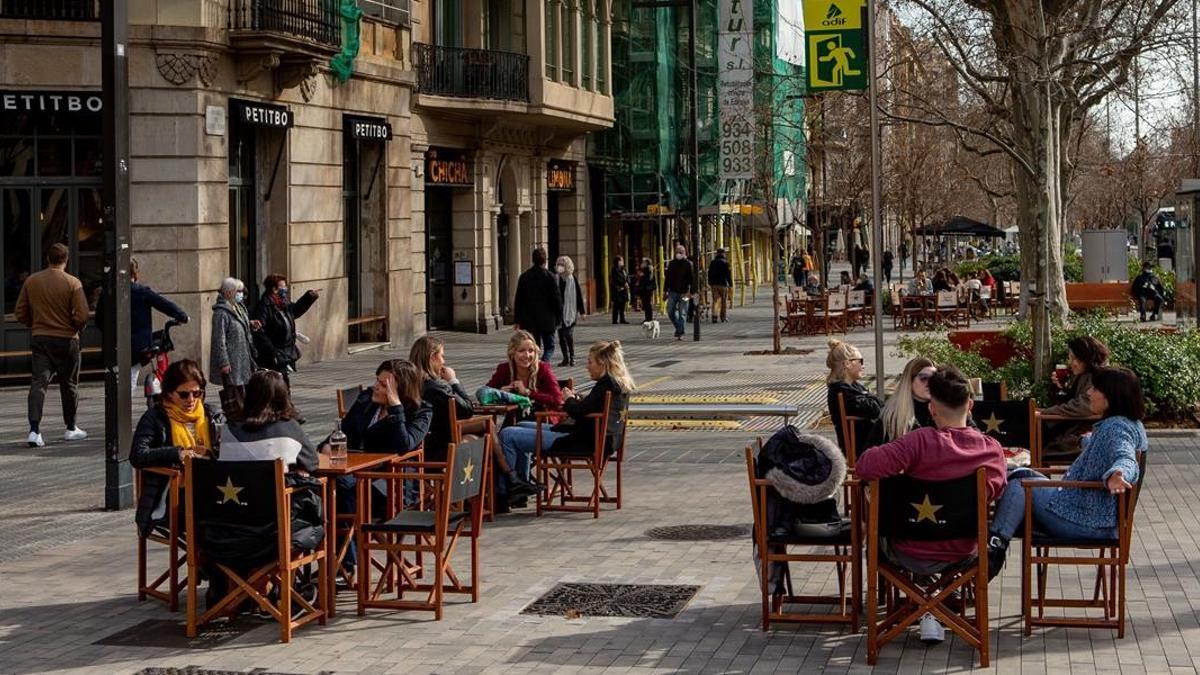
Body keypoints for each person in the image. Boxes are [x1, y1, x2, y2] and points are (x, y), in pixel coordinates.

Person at [855, 366, 1008, 644]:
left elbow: (864, 465)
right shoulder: (991, 450)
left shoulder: (918, 442)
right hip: (963, 550)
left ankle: (925, 609)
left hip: (906, 549)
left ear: (932, 409)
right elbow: (995, 494)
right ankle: (936, 608)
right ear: (970, 406)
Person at [986, 366, 1147, 578]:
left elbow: (1125, 456)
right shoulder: (1130, 424)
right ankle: (999, 537)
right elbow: (1110, 446)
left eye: (1094, 389)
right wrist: (1087, 440)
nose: (1088, 393)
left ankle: (992, 552)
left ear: (1110, 397)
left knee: (1019, 486)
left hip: (1085, 520)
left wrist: (1118, 474)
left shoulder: (1117, 429)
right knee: (1021, 474)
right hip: (1092, 515)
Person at [497, 340, 635, 507]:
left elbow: (576, 411)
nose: (587, 366)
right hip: (596, 438)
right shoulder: (618, 384)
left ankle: (506, 492)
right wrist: (576, 400)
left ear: (602, 364)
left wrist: (568, 399)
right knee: (521, 425)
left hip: (580, 441)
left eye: (590, 362)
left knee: (507, 434)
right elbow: (588, 407)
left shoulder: (606, 385)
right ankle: (520, 487)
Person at [131, 359, 219, 538]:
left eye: (197, 393)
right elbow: (137, 455)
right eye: (184, 394)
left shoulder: (211, 414)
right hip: (172, 497)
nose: (192, 400)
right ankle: (206, 563)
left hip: (212, 489)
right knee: (212, 522)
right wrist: (177, 453)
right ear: (170, 393)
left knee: (241, 515)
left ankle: (214, 564)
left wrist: (211, 453)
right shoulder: (155, 417)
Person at [15, 242, 90, 447]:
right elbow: (83, 314)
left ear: (48, 258)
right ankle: (71, 427)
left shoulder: (32, 281)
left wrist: (36, 324)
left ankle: (34, 430)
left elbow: (20, 312)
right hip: (67, 340)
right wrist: (75, 327)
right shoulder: (73, 283)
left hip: (41, 338)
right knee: (70, 384)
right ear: (66, 260)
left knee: (39, 383)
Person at [95, 258, 190, 387]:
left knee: (118, 381)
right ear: (135, 273)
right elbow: (164, 304)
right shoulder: (141, 291)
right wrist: (182, 316)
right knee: (131, 377)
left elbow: (99, 320)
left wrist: (111, 335)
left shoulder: (107, 293)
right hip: (138, 347)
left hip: (114, 345)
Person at [219, 370, 319, 471]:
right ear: (283, 397)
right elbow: (312, 462)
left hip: (234, 485)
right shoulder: (290, 428)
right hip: (273, 486)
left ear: (248, 396)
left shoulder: (228, 429)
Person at [1040, 336, 1110, 457]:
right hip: (1075, 429)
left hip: (1081, 437)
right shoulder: (1085, 375)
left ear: (1085, 359)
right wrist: (1060, 388)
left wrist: (1044, 413)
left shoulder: (1098, 377)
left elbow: (1082, 406)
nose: (1070, 362)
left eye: (1073, 358)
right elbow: (1072, 401)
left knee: (1034, 435)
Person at [409, 336, 474, 463]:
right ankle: (504, 476)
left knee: (488, 428)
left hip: (417, 442)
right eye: (442, 356)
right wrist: (453, 381)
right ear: (432, 357)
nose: (443, 362)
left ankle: (508, 475)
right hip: (438, 445)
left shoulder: (408, 381)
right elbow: (467, 410)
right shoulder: (435, 386)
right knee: (484, 434)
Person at [252, 274, 319, 387]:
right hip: (273, 354)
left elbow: (295, 311)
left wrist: (309, 297)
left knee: (283, 385)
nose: (286, 289)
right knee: (276, 386)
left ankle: (283, 403)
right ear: (274, 289)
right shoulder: (264, 305)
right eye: (283, 286)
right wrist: (273, 351)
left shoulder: (282, 303)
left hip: (284, 352)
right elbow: (260, 332)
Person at [486, 329, 564, 424]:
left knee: (504, 434)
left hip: (542, 421)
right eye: (521, 351)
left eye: (531, 351)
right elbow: (485, 393)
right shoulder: (504, 369)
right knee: (495, 430)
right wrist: (499, 393)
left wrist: (528, 392)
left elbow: (557, 400)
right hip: (514, 419)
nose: (527, 355)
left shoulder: (543, 368)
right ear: (512, 353)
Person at [210, 277, 258, 419]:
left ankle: (245, 416)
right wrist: (224, 362)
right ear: (229, 292)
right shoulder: (221, 312)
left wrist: (250, 324)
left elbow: (239, 325)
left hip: (243, 357)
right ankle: (237, 417)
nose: (241, 294)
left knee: (244, 390)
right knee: (234, 392)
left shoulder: (238, 308)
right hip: (233, 360)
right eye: (239, 291)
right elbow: (219, 338)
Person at [862, 358, 936, 450]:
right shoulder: (892, 417)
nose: (929, 383)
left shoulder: (943, 413)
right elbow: (868, 456)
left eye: (934, 378)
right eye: (924, 378)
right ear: (909, 381)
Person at [825, 339, 883, 457]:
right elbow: (875, 409)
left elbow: (878, 404)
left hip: (869, 443)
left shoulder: (854, 386)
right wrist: (870, 396)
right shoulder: (840, 390)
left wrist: (870, 397)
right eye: (860, 361)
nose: (863, 365)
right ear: (847, 363)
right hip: (861, 448)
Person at [513, 247, 562, 362]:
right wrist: (559, 317)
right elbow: (557, 300)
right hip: (547, 320)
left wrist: (517, 320)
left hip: (529, 320)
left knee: (533, 348)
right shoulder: (550, 277)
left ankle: (536, 366)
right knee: (549, 347)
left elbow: (519, 299)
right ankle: (543, 366)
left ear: (532, 260)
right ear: (545, 260)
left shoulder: (524, 277)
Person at [555, 256, 586, 367]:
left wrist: (582, 312)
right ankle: (565, 358)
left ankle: (572, 356)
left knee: (568, 334)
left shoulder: (572, 279)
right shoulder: (556, 279)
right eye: (559, 264)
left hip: (570, 312)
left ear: (567, 266)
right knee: (561, 336)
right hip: (559, 313)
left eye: (562, 265)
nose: (560, 267)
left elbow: (578, 296)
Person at [664, 244, 695, 340]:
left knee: (683, 312)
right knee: (670, 311)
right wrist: (665, 290)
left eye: (680, 252)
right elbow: (667, 278)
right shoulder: (672, 264)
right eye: (677, 252)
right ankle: (679, 328)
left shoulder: (688, 264)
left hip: (684, 292)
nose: (678, 254)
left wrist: (691, 292)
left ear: (684, 253)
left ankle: (680, 332)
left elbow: (692, 279)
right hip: (672, 291)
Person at [708, 248, 733, 323]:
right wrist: (730, 284)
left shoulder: (712, 262)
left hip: (714, 285)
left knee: (715, 300)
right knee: (723, 301)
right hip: (723, 284)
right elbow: (728, 275)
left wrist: (710, 282)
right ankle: (723, 317)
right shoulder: (725, 263)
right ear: (723, 254)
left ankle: (714, 316)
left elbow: (709, 273)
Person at [610, 256, 630, 325]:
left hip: (624, 290)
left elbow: (627, 276)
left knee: (623, 305)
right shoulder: (614, 270)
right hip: (617, 290)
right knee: (616, 305)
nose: (622, 262)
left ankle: (622, 319)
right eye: (621, 260)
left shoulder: (624, 269)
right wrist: (623, 283)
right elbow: (616, 278)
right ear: (618, 262)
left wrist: (627, 282)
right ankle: (615, 320)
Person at [636, 257, 657, 323]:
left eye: (643, 262)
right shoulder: (646, 270)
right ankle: (647, 318)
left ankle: (649, 318)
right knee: (646, 304)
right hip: (645, 289)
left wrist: (642, 276)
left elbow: (648, 279)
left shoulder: (648, 270)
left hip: (647, 289)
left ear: (647, 263)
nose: (642, 264)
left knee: (647, 304)